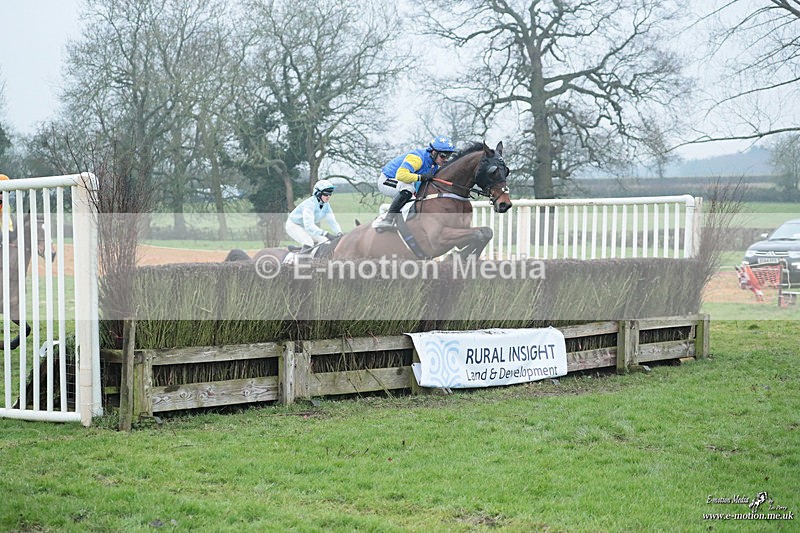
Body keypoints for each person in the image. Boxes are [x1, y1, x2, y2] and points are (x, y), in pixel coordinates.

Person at [373, 136, 456, 231]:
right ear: (434, 152)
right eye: (443, 156)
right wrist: (421, 177)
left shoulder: (434, 165)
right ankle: (388, 220)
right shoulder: (417, 158)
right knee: (408, 189)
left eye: (448, 156)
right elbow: (401, 175)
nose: (446, 159)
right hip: (387, 180)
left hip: (402, 182)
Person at [285, 179, 343, 254]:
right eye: (326, 194)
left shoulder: (326, 205)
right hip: (294, 225)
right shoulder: (309, 204)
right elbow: (309, 226)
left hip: (305, 227)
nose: (328, 196)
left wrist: (339, 232)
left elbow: (332, 221)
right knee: (308, 243)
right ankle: (301, 264)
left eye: (330, 194)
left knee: (324, 241)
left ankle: (300, 251)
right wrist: (326, 233)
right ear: (318, 193)